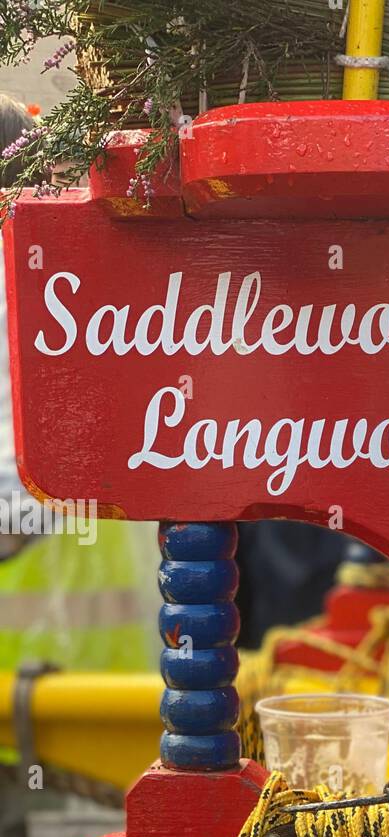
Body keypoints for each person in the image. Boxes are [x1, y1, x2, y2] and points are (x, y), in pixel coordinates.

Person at [0, 94, 159, 672]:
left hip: (50, 639)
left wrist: (14, 521)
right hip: (104, 657)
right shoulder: (73, 270)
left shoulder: (30, 276)